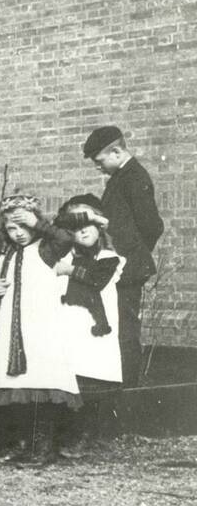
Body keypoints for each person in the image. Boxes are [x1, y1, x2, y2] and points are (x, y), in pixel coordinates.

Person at [0, 195, 81, 463]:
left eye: (24, 227)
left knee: (41, 382)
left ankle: (42, 447)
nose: (19, 234)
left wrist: (39, 223)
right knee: (13, 388)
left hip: (39, 328)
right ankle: (21, 444)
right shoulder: (2, 253)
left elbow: (66, 239)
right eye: (12, 228)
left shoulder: (46, 248)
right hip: (7, 328)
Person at [82, 125, 164, 387]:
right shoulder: (121, 177)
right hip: (120, 266)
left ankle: (129, 392)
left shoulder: (134, 177)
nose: (98, 167)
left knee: (126, 330)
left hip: (128, 268)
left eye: (100, 161)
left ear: (116, 151)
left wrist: (131, 255)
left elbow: (152, 226)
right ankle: (120, 385)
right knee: (119, 326)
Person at [52, 197, 124, 387]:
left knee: (93, 367)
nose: (82, 231)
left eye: (88, 225)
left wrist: (69, 270)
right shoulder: (66, 256)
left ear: (99, 227)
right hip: (71, 322)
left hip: (95, 325)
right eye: (76, 227)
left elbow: (96, 280)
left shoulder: (107, 257)